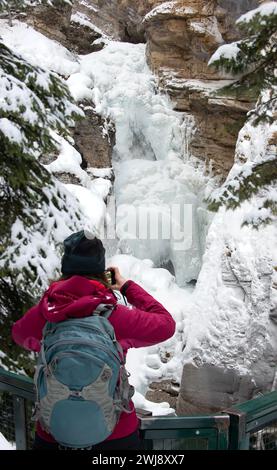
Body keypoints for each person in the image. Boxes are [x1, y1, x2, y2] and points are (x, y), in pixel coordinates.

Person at [12, 230, 176, 450]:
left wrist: (51, 304)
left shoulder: (46, 314)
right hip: (114, 437)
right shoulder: (116, 317)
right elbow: (166, 325)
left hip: (54, 434)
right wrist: (127, 286)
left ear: (65, 269)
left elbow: (19, 334)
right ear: (101, 271)